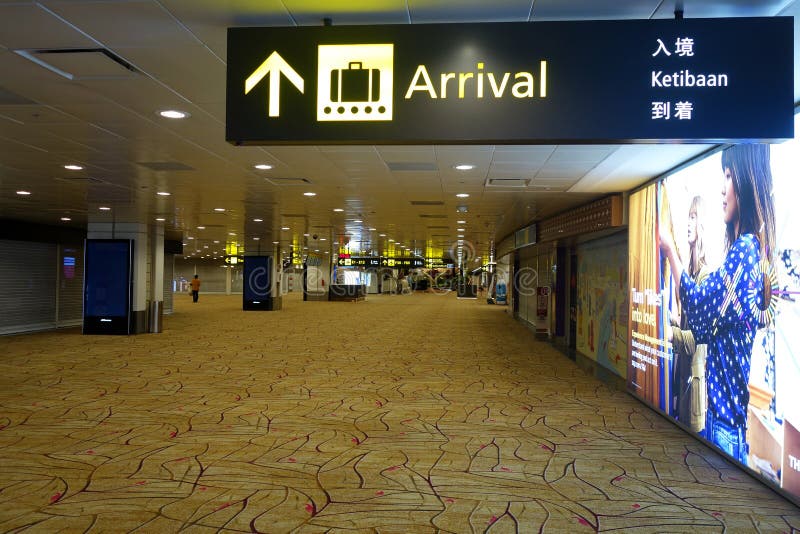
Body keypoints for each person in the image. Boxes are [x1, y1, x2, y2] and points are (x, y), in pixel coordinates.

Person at [659, 143, 776, 464]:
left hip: (724, 425)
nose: (723, 189)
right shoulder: (748, 251)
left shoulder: (745, 251)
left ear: (747, 180)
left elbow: (696, 309)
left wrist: (669, 250)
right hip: (723, 422)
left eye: (729, 176)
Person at [668, 196, 711, 431]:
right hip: (683, 380)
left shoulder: (705, 275)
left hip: (693, 391)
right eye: (688, 217)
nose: (688, 223)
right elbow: (688, 324)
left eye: (693, 217)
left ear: (701, 223)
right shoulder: (692, 272)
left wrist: (671, 333)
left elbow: (696, 339)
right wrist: (674, 320)